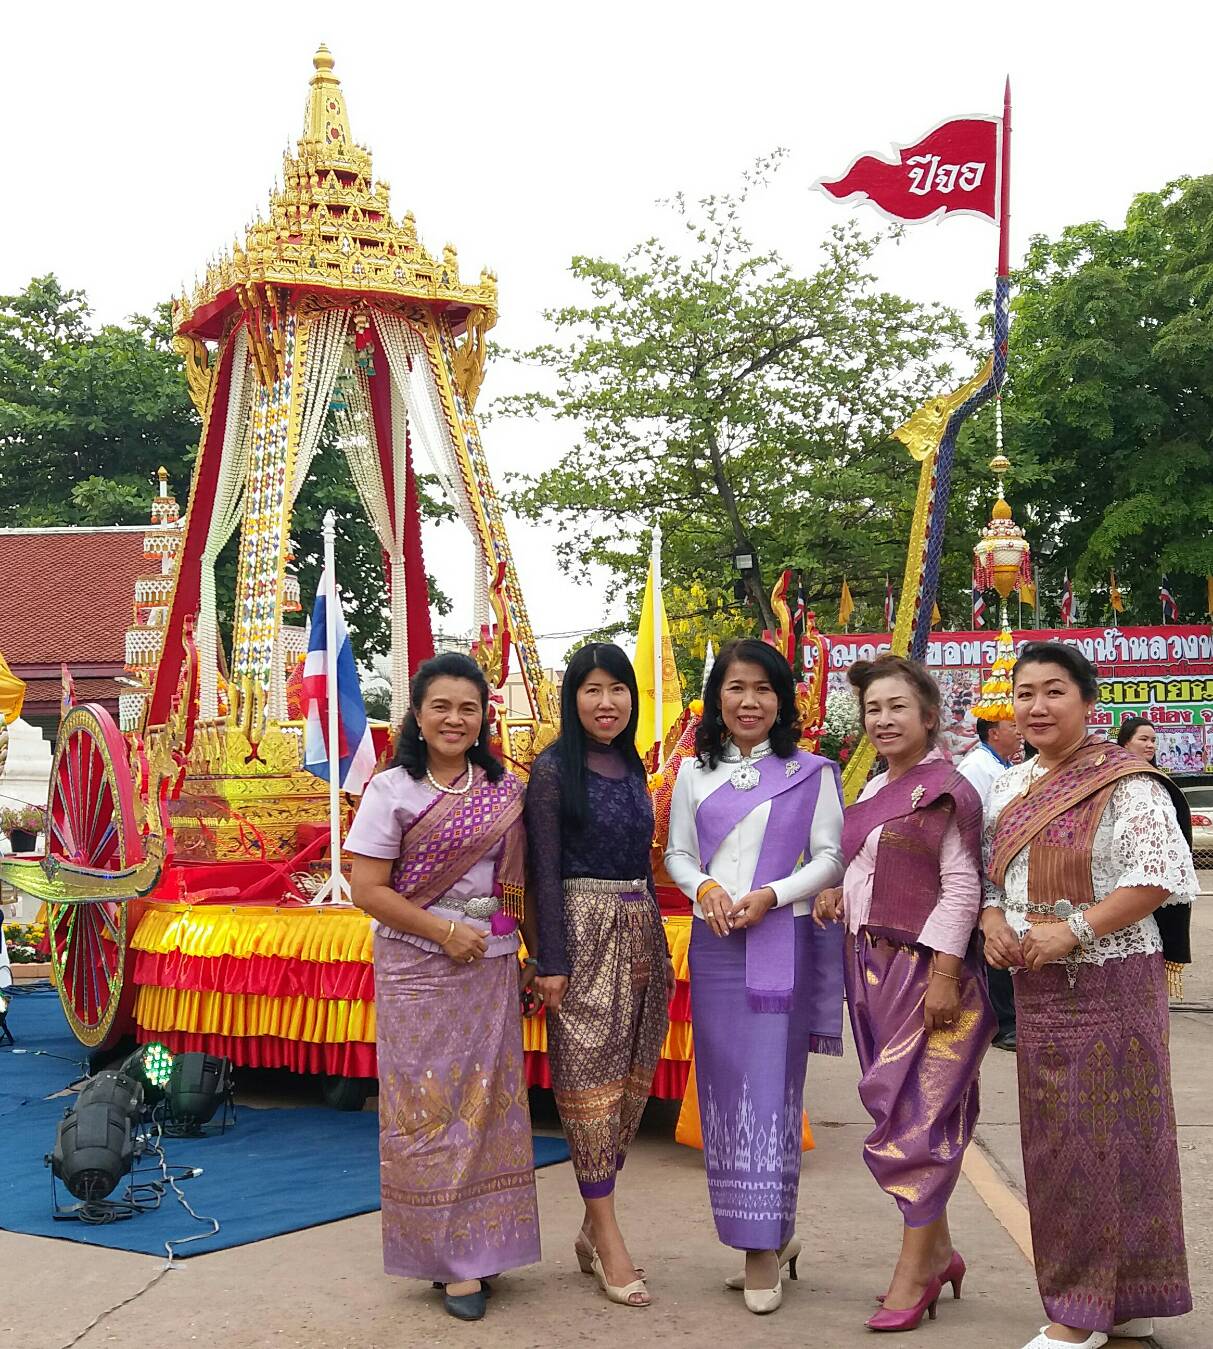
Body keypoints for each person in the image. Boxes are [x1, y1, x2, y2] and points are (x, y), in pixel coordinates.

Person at [983, 641, 1196, 1349]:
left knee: (1113, 1143)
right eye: (1024, 693)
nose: (1036, 706)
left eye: (1053, 692)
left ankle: (1081, 1313)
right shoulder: (1007, 788)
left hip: (1112, 983)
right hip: (1039, 987)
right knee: (1058, 1145)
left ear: (1086, 701)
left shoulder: (1125, 781)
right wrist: (990, 922)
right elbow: (990, 879)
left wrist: (1071, 929)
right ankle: (1101, 1299)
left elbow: (1158, 874)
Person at [347, 652, 540, 1324]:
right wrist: (440, 932)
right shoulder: (391, 788)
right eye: (442, 706)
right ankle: (447, 1260)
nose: (455, 718)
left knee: (488, 1105)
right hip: (417, 969)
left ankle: (482, 1245)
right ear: (418, 716)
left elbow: (521, 880)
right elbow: (365, 888)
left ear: (483, 715)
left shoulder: (504, 789)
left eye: (468, 707)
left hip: (487, 965)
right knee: (427, 1111)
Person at [664, 638, 845, 1315]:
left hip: (779, 936)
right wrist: (705, 885)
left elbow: (828, 857)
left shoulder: (810, 771)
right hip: (715, 944)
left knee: (769, 1090)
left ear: (780, 700)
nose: (748, 700)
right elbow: (679, 854)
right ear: (717, 697)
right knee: (723, 1091)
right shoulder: (691, 773)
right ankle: (759, 1230)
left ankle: (761, 1248)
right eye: (736, 687)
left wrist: (770, 894)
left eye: (762, 689)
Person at [815, 654, 994, 1333]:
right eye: (872, 709)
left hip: (925, 971)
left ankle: (913, 1270)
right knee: (902, 1115)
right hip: (866, 970)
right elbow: (867, 867)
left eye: (896, 706)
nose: (883, 719)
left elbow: (960, 886)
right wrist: (838, 890)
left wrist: (945, 975)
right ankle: (940, 1249)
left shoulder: (945, 790)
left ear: (928, 716)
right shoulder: (868, 793)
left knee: (917, 1120)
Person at [526, 643, 672, 1309]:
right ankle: (610, 1237)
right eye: (591, 689)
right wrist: (550, 961)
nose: (605, 702)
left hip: (640, 934)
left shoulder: (633, 763)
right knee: (586, 1089)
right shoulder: (553, 770)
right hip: (580, 938)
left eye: (617, 688)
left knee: (627, 1091)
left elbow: (643, 861)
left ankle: (591, 1226)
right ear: (572, 697)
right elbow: (541, 871)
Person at [957, 715, 1023, 1050]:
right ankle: (1002, 1022)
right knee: (993, 945)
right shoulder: (976, 767)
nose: (1020, 732)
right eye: (1013, 727)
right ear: (995, 734)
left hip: (1003, 870)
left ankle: (1008, 1017)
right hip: (984, 871)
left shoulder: (999, 765)